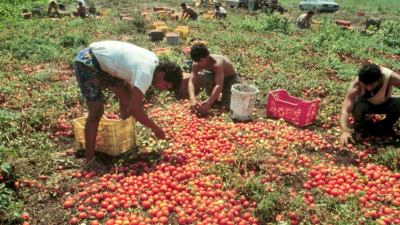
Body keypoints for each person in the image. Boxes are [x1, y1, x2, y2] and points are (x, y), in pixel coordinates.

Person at [74, 40, 182, 165]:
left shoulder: (154, 63)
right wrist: (155, 128)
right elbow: (135, 109)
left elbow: (131, 102)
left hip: (107, 64)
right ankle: (89, 159)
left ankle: (128, 140)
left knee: (127, 99)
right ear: (162, 74)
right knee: (96, 111)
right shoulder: (146, 73)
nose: (162, 88)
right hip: (88, 61)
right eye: (165, 85)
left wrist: (135, 110)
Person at [339, 63, 400, 145]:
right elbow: (345, 109)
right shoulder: (356, 86)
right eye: (365, 84)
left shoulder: (390, 77)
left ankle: (386, 126)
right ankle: (362, 126)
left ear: (379, 79)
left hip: (386, 103)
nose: (369, 88)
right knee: (356, 104)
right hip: (365, 105)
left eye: (372, 84)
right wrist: (344, 131)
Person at [188, 43, 240, 117]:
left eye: (201, 61)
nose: (199, 64)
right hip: (216, 76)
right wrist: (192, 98)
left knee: (226, 106)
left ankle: (213, 101)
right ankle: (213, 100)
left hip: (230, 79)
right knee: (205, 76)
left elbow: (219, 85)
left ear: (207, 56)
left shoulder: (217, 63)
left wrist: (208, 103)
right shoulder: (196, 63)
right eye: (197, 61)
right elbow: (191, 81)